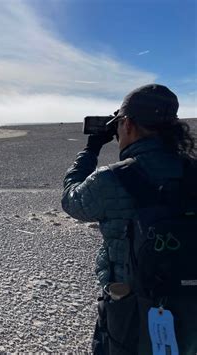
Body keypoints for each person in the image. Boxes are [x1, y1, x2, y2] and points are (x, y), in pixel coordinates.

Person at [61, 84, 196, 354]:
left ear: (129, 125)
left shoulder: (112, 178)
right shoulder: (192, 170)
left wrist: (90, 150)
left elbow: (72, 201)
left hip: (131, 302)